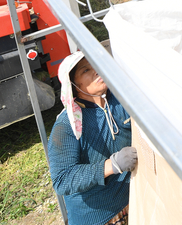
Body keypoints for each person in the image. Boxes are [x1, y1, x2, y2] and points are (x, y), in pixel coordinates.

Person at [49, 51, 137, 225]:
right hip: (97, 216)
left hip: (133, 200)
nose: (96, 70)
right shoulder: (68, 125)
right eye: (85, 70)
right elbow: (62, 180)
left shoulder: (119, 101)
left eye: (96, 64)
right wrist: (111, 166)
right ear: (74, 85)